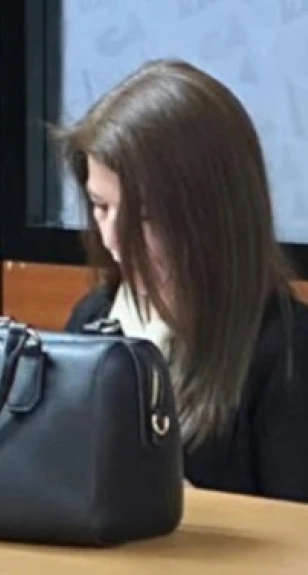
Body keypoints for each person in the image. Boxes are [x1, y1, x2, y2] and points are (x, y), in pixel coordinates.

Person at [61, 59, 308, 503]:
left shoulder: (289, 349)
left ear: (211, 215)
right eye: (101, 206)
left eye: (144, 216)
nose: (114, 238)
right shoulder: (93, 318)